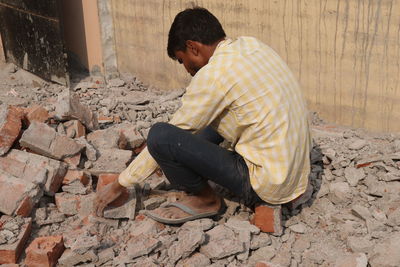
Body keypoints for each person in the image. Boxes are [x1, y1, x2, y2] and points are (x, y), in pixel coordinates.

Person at [95, 7, 311, 224]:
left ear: (193, 47)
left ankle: (206, 199)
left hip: (267, 185)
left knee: (161, 136)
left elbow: (171, 134)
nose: (187, 70)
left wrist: (120, 184)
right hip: (296, 174)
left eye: (182, 60)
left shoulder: (213, 75)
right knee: (204, 124)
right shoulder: (252, 45)